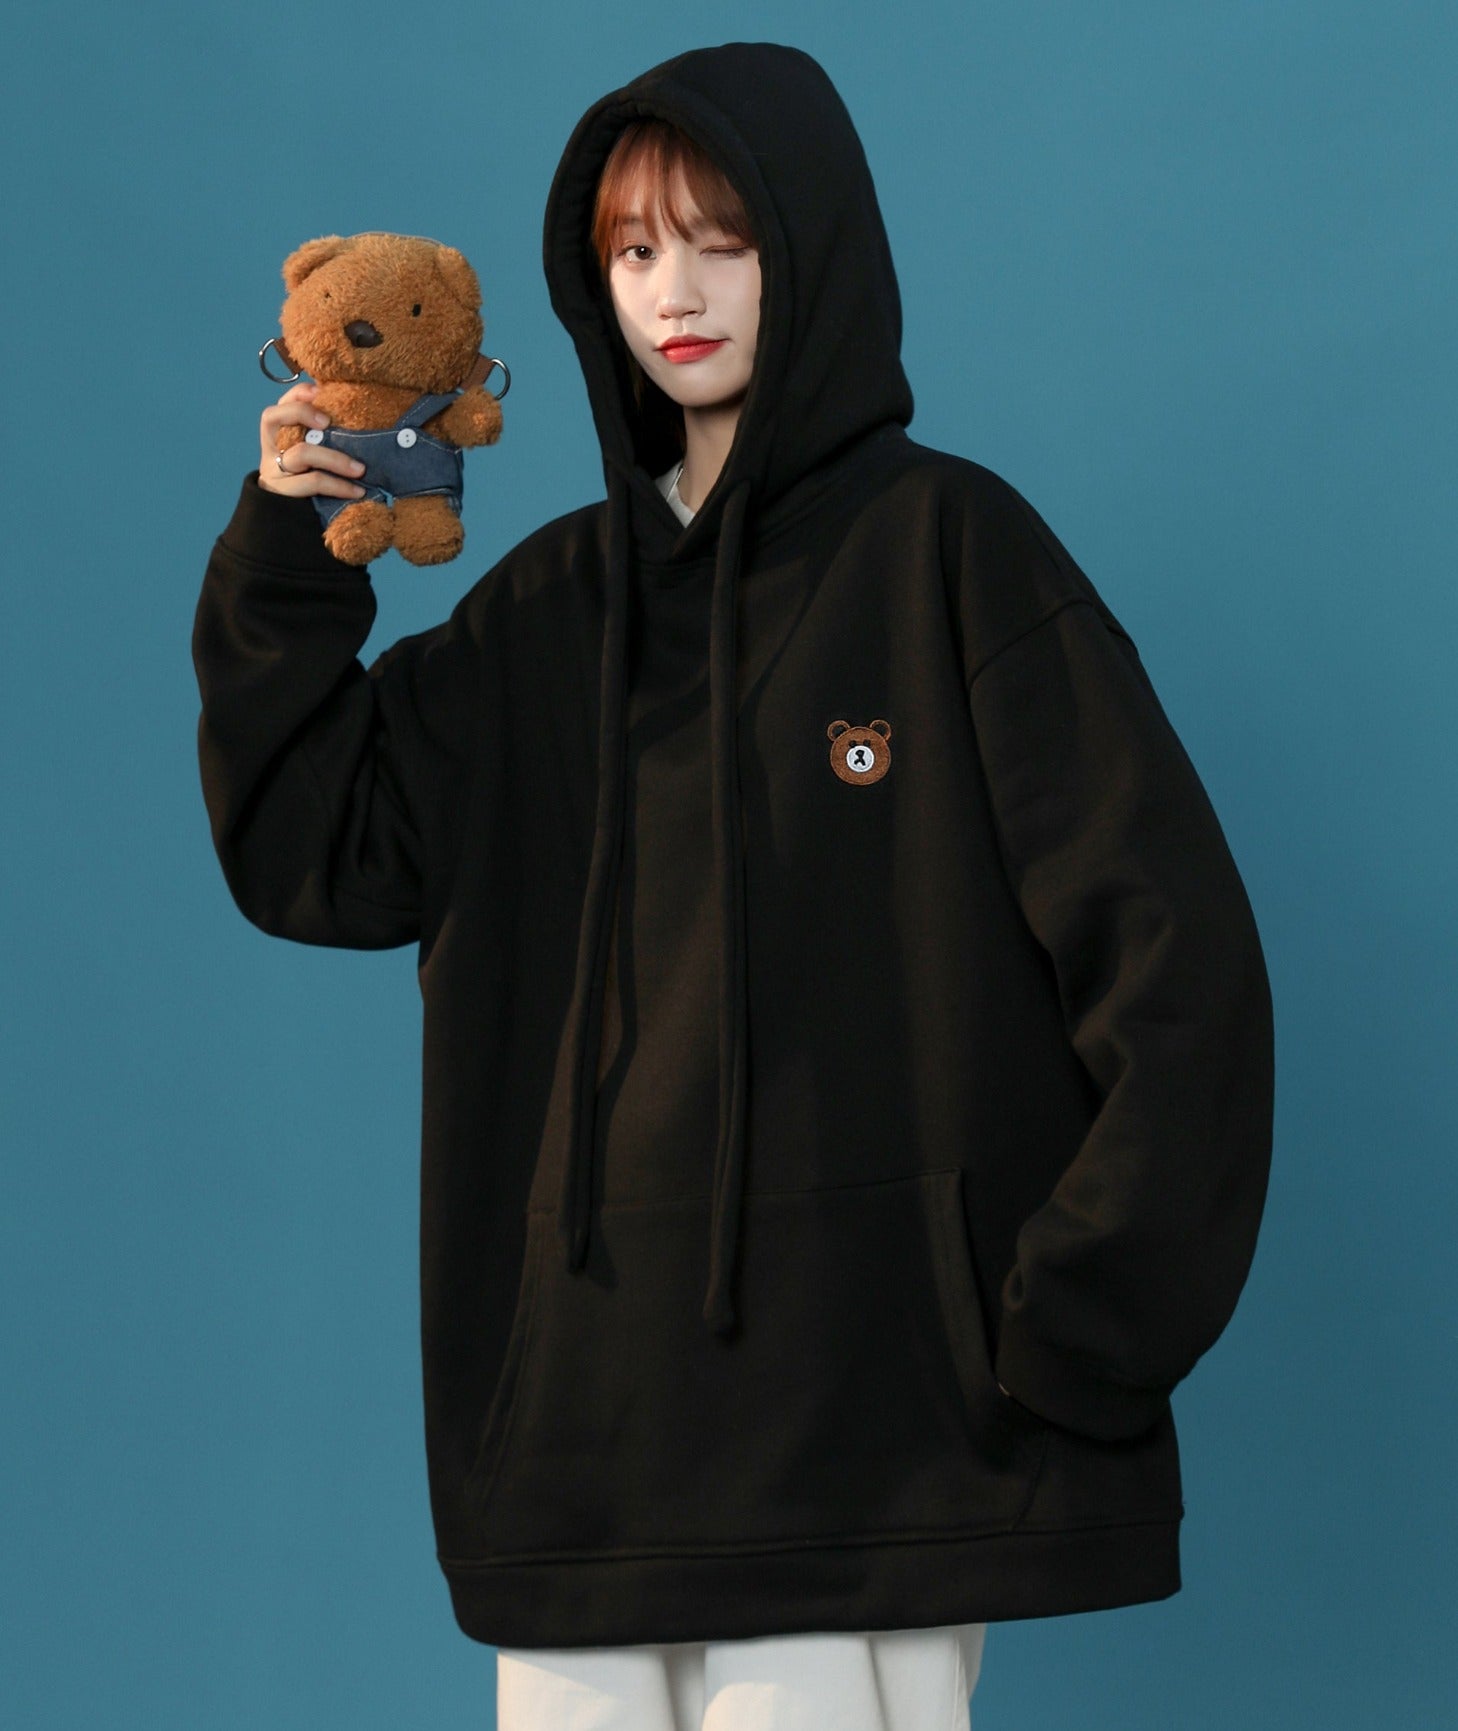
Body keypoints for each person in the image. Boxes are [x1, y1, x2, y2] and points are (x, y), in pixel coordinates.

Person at [192, 40, 1275, 1731]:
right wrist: (286, 552)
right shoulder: (545, 617)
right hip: (582, 1454)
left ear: (811, 248)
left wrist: (1077, 1324)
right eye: (632, 250)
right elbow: (309, 853)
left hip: (885, 1441)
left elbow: (1175, 965)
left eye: (723, 240)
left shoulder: (949, 554)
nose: (673, 292)